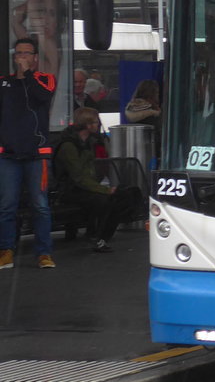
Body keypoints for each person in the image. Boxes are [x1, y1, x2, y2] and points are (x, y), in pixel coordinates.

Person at [0, 37, 57, 269]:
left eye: (27, 53)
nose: (22, 57)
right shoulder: (3, 83)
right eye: (18, 53)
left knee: (40, 205)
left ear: (34, 58)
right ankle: (6, 250)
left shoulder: (45, 79)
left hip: (37, 153)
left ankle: (44, 253)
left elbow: (43, 98)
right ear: (14, 57)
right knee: (6, 205)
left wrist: (29, 75)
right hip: (8, 154)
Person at [54, 108, 137, 253]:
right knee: (105, 200)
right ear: (87, 125)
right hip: (70, 190)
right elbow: (78, 177)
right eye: (94, 122)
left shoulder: (88, 142)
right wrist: (105, 189)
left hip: (84, 187)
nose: (98, 125)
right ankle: (96, 237)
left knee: (122, 196)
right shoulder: (69, 146)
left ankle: (100, 236)